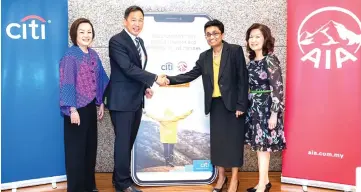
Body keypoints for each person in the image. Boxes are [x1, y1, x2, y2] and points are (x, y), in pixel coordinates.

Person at [164, 19, 248, 192]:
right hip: (216, 105)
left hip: (233, 105)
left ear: (222, 34)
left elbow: (242, 79)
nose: (211, 37)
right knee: (218, 143)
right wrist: (169, 80)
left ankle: (235, 179)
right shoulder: (204, 57)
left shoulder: (234, 50)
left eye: (215, 33)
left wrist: (242, 104)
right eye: (208, 34)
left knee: (233, 142)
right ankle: (221, 177)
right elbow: (190, 74)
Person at [106, 5, 167, 192]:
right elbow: (127, 68)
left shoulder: (138, 41)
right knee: (123, 142)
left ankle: (119, 180)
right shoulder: (117, 41)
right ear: (125, 21)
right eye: (134, 19)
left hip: (135, 100)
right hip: (121, 101)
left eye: (141, 20)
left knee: (128, 142)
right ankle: (124, 184)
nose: (137, 23)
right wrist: (155, 78)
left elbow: (135, 74)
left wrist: (145, 88)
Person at [59, 18, 109, 192]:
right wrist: (72, 109)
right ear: (74, 34)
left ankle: (90, 187)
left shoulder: (93, 54)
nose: (86, 35)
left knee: (90, 149)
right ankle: (76, 188)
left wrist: (101, 102)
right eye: (82, 32)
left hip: (89, 109)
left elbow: (101, 78)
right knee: (76, 153)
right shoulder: (70, 56)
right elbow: (67, 84)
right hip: (75, 109)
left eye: (89, 32)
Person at [244, 23, 286, 192]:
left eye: (257, 36)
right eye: (251, 36)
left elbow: (277, 87)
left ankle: (261, 186)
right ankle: (265, 181)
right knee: (260, 146)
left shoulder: (270, 59)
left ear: (265, 39)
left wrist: (274, 114)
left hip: (267, 108)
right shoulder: (252, 61)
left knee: (263, 148)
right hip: (254, 107)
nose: (253, 40)